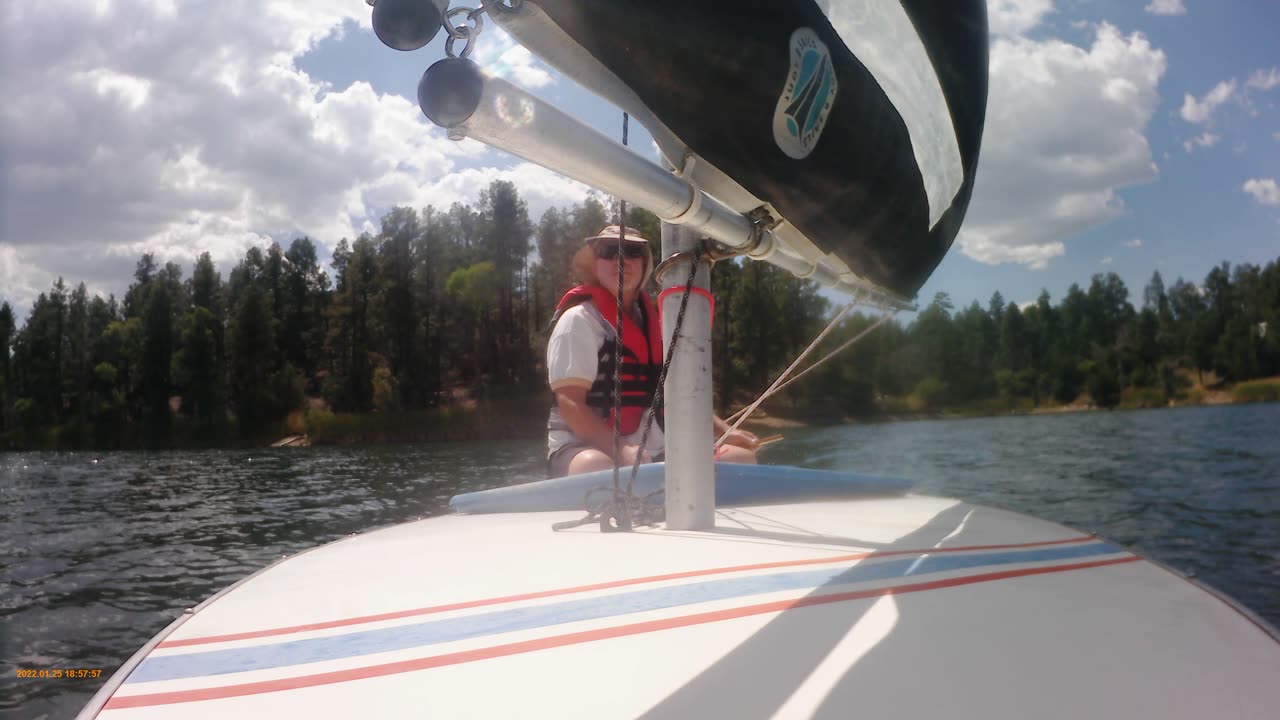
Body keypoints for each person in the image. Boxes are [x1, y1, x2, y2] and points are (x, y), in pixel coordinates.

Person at [546, 225, 759, 478]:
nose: (621, 260)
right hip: (584, 448)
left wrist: (725, 431)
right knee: (596, 468)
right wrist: (621, 449)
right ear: (595, 264)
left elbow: (679, 393)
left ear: (644, 263)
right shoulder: (578, 320)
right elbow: (570, 403)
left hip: (651, 451)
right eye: (608, 251)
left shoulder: (659, 324)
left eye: (632, 251)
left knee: (742, 459)